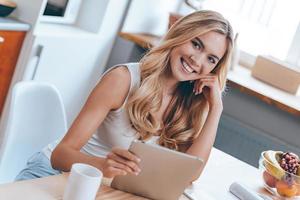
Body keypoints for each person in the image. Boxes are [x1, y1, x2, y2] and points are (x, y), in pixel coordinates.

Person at [16, 10, 234, 181]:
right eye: (196, 44)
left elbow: (188, 174)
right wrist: (102, 166)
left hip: (100, 188)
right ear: (179, 34)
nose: (198, 61)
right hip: (50, 175)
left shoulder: (191, 103)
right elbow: (60, 155)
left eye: (211, 59)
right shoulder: (123, 79)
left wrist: (216, 109)